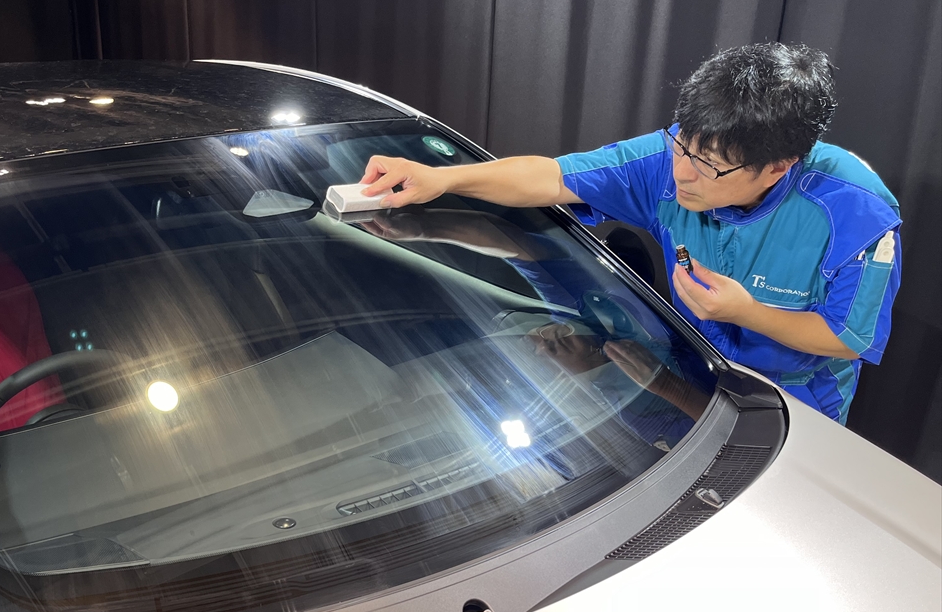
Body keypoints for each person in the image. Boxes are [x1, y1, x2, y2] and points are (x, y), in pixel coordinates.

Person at [359, 43, 902, 424]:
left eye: (709, 165)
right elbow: (551, 177)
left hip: (798, 402)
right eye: (683, 146)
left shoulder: (857, 214)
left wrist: (746, 313)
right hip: (698, 369)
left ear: (777, 168)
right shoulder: (672, 158)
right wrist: (444, 178)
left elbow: (847, 338)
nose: (682, 173)